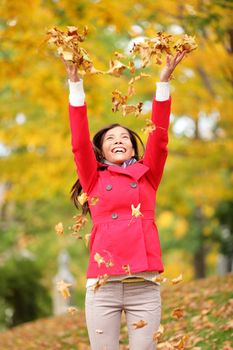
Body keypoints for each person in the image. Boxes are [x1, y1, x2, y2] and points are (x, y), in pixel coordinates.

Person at [63, 50, 186, 350]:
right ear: (102, 152)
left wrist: (163, 83)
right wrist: (75, 83)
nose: (119, 141)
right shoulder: (94, 178)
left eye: (125, 138)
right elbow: (79, 144)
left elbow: (159, 136)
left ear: (133, 148)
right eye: (110, 139)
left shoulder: (148, 174)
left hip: (143, 285)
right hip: (103, 285)